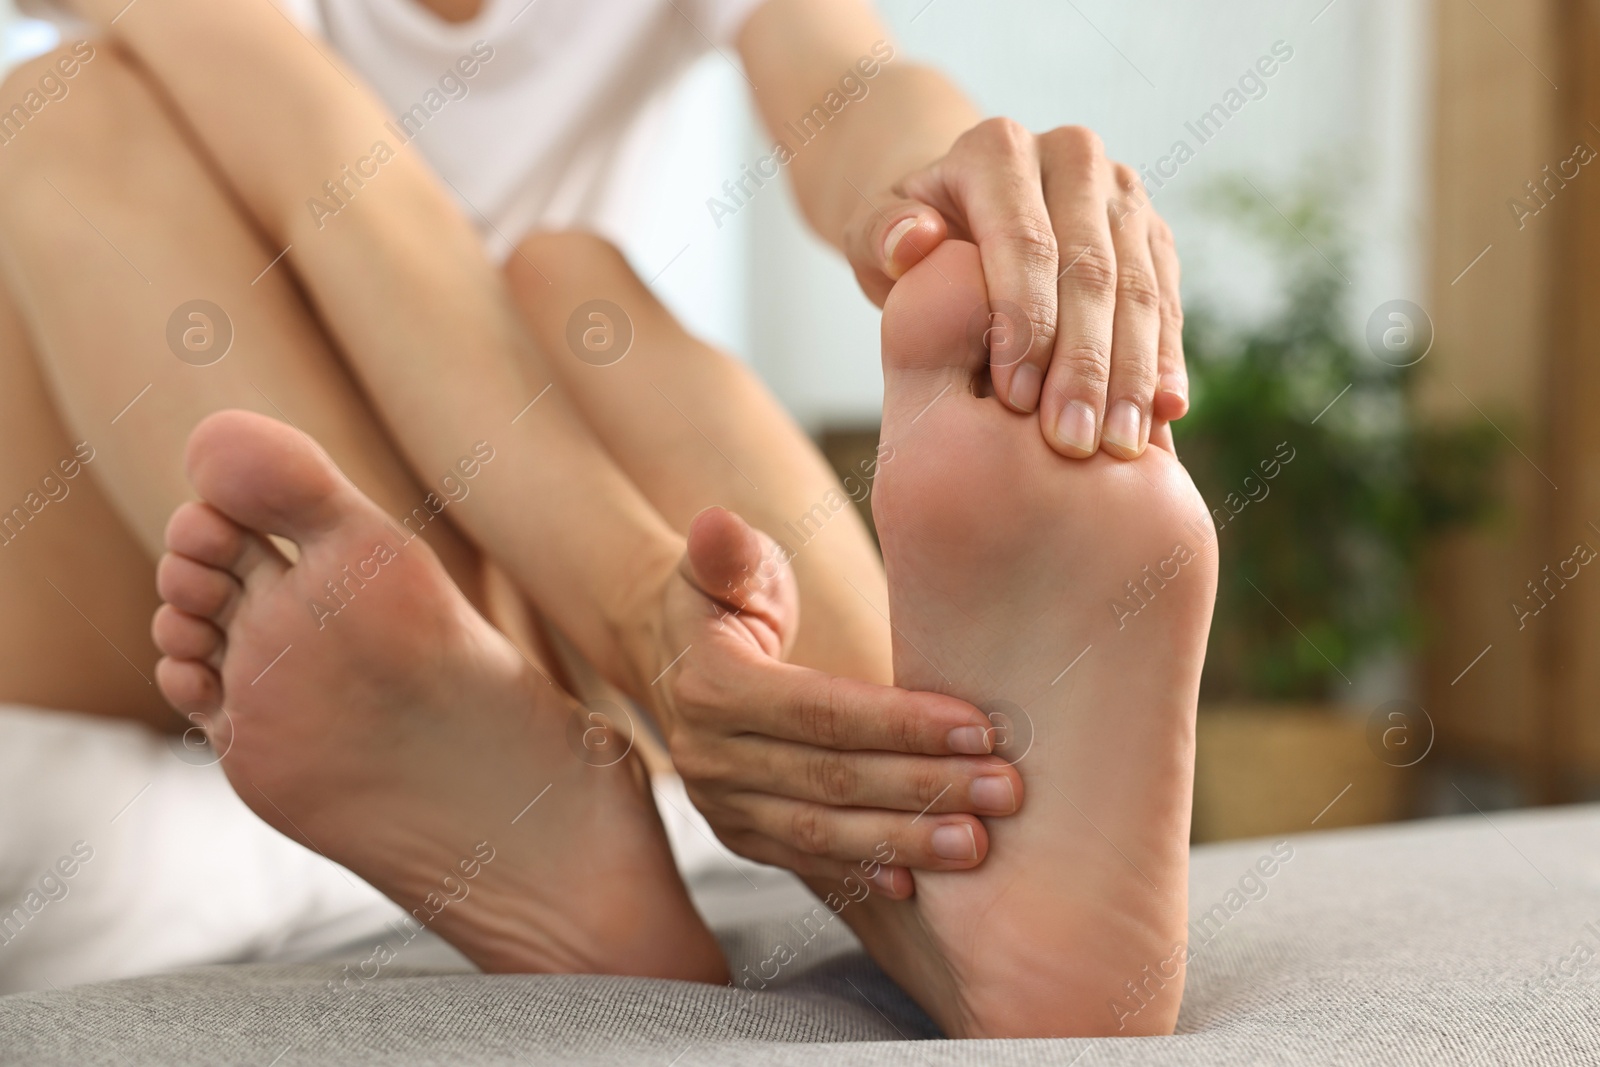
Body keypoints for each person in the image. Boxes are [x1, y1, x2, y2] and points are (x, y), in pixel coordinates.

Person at [0, 0, 1216, 1037]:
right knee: (56, 116)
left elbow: (843, 80)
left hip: (509, 555)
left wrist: (954, 191)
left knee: (577, 280)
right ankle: (544, 726)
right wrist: (648, 618)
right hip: (160, 557)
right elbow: (344, 185)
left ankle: (924, 846)